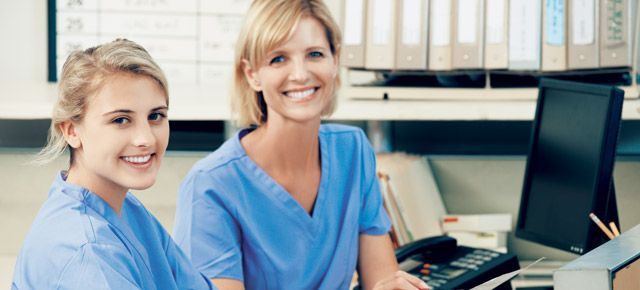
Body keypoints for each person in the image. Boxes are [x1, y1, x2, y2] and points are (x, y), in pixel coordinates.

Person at [172, 1, 430, 289]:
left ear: (335, 60)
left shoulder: (353, 152)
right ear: (252, 74)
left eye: (315, 54)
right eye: (278, 59)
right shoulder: (211, 186)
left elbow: (381, 279)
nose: (300, 74)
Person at [12, 39, 214, 290]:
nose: (146, 139)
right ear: (72, 130)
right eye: (121, 120)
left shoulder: (124, 209)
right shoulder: (88, 250)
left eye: (155, 116)